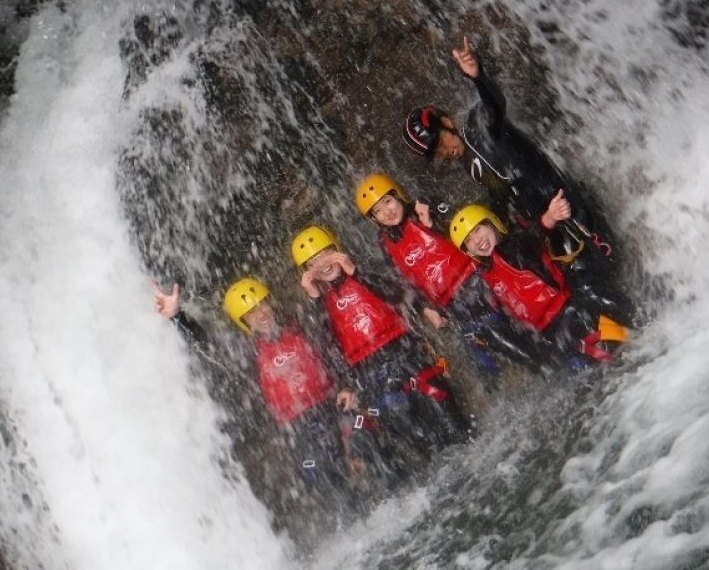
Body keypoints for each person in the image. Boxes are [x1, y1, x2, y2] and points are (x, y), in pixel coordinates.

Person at [402, 35, 615, 267]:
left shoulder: (478, 125)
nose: (444, 151)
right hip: (546, 219)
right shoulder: (467, 163)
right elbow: (500, 192)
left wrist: (478, 77)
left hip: (564, 200)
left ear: (447, 123)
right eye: (436, 153)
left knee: (608, 255)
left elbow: (495, 105)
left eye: (441, 142)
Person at [291, 225, 471, 474]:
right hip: (371, 372)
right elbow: (324, 344)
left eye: (325, 253)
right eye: (313, 262)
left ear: (337, 249)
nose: (322, 263)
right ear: (308, 273)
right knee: (414, 432)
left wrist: (357, 274)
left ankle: (469, 449)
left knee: (448, 416)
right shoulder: (318, 306)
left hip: (405, 351)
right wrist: (314, 299)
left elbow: (397, 292)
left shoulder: (362, 269)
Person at [154, 277, 362, 490]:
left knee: (363, 435)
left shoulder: (300, 323)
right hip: (297, 428)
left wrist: (346, 384)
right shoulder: (247, 349)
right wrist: (178, 317)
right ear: (244, 321)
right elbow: (206, 346)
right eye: (252, 312)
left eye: (262, 304)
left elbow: (331, 348)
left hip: (331, 407)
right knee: (317, 472)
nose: (261, 314)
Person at [355, 172, 549, 380]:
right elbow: (404, 281)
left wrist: (432, 224)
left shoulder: (424, 207)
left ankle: (545, 367)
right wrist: (427, 309)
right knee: (483, 362)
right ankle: (531, 376)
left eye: (388, 201)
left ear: (398, 195)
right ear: (374, 219)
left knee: (497, 332)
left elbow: (468, 230)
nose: (387, 212)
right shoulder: (384, 243)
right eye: (378, 211)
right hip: (450, 305)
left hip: (477, 281)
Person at [448, 192, 630, 365]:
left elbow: (534, 235)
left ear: (492, 223)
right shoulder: (486, 276)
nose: (477, 240)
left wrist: (551, 216)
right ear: (468, 251)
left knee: (620, 334)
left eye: (478, 229)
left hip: (572, 309)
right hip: (554, 337)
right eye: (469, 240)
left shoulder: (515, 245)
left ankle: (634, 323)